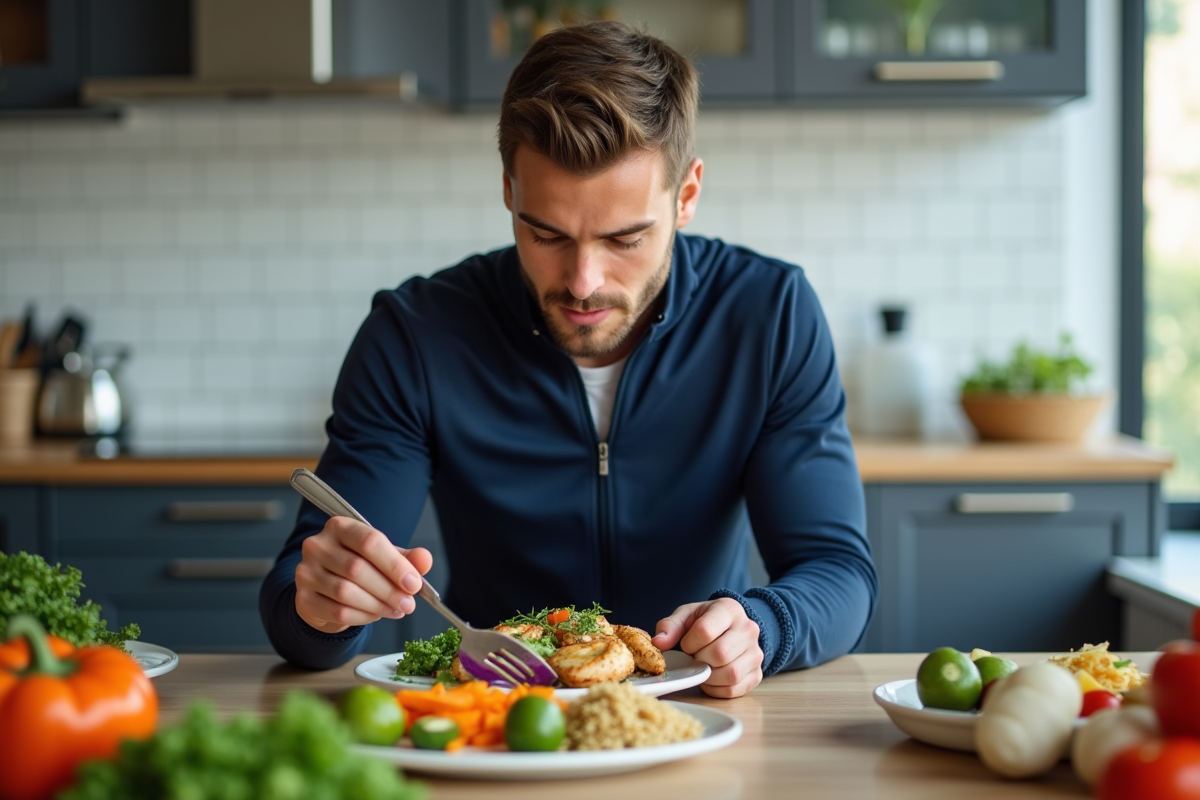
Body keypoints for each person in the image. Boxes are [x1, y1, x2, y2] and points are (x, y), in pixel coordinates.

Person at [260, 20, 876, 699]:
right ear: (508, 191)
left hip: (696, 713)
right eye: (545, 232)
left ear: (687, 196)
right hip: (497, 717)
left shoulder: (770, 315)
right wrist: (322, 609)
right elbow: (298, 609)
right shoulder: (415, 335)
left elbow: (837, 572)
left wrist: (762, 626)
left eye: (625, 238)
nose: (583, 281)